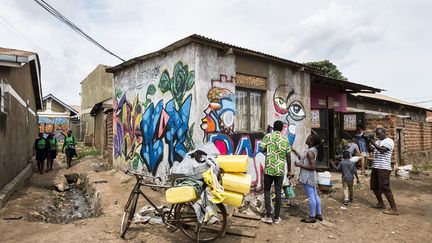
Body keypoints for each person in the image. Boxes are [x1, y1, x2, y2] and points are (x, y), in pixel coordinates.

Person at [260, 120, 292, 224]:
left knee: (267, 191)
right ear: (282, 128)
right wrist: (290, 170)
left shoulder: (268, 136)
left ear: (273, 128)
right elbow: (288, 156)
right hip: (280, 170)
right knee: (278, 192)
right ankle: (277, 217)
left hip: (269, 168)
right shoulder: (285, 139)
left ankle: (268, 215)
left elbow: (262, 149)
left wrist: (269, 151)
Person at [368, 127, 398, 215]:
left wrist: (372, 142)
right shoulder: (377, 141)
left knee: (385, 187)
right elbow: (372, 150)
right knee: (374, 186)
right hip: (375, 167)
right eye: (377, 134)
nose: (378, 136)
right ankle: (381, 203)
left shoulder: (389, 141)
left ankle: (394, 209)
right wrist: (368, 142)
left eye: (380, 134)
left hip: (384, 168)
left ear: (385, 133)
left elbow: (382, 150)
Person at [294, 133, 324, 223]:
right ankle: (318, 213)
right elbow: (304, 159)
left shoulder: (310, 152)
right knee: (315, 195)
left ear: (311, 141)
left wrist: (299, 165)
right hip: (311, 177)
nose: (307, 138)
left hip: (307, 178)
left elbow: (312, 167)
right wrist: (294, 151)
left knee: (311, 197)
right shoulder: (312, 150)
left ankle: (312, 217)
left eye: (309, 137)